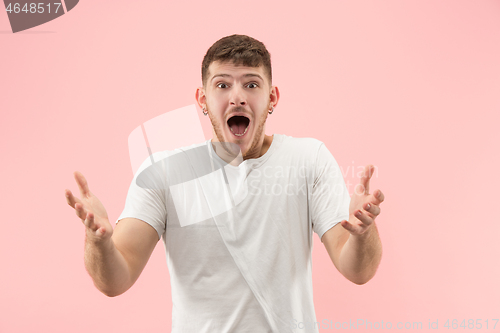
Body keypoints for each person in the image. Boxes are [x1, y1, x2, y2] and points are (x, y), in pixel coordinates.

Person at [65, 34, 384, 333]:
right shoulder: (166, 172)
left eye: (251, 84)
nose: (238, 97)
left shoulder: (308, 159)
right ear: (202, 100)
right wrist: (99, 243)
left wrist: (363, 232)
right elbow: (114, 281)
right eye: (222, 85)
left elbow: (359, 271)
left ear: (272, 97)